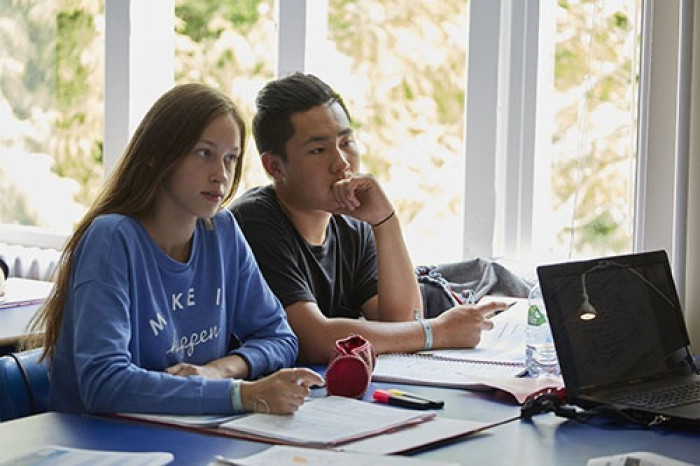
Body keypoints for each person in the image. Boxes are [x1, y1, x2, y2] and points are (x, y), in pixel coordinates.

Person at [27, 83, 323, 416]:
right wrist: (240, 394)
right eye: (204, 153)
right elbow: (104, 383)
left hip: (185, 431)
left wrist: (220, 371)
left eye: (231, 158)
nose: (221, 175)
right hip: (99, 438)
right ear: (157, 156)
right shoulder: (112, 239)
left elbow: (280, 336)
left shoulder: (223, 231)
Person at [230, 73, 509, 364]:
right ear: (274, 167)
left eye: (346, 142)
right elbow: (311, 340)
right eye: (318, 150)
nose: (341, 163)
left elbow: (404, 322)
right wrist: (437, 332)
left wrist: (385, 221)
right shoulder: (253, 222)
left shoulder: (352, 224)